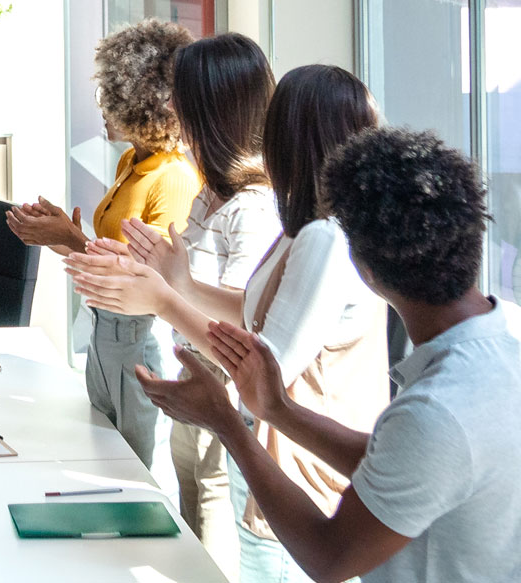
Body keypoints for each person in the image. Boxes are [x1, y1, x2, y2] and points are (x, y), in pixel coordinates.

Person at [138, 127, 521, 582]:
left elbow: (330, 557)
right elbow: (396, 460)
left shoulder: (436, 411)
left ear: (365, 268)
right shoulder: (499, 353)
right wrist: (277, 409)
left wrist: (227, 424)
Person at [68, 65, 388, 582]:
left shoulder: (323, 238)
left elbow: (264, 369)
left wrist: (166, 301)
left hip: (300, 472)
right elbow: (252, 311)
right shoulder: (305, 229)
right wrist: (180, 283)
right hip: (276, 461)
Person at [5, 18, 200, 506]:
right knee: (102, 459)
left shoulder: (173, 177)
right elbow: (117, 254)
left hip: (140, 340)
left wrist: (71, 238)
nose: (103, 110)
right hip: (103, 330)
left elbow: (154, 279)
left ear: (142, 105)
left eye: (109, 99)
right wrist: (67, 238)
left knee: (139, 475)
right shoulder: (131, 162)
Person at [161, 32, 281, 579]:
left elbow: (242, 315)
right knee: (191, 500)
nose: (172, 115)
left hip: (225, 391)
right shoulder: (211, 194)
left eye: (182, 105)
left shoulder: (255, 207)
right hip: (193, 373)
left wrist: (166, 285)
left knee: (214, 519)